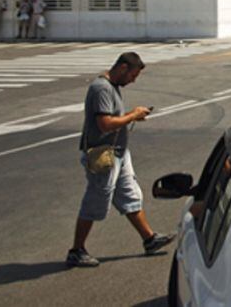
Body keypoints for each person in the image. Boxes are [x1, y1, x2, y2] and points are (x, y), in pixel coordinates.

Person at [67, 52, 174, 267]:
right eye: (133, 75)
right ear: (123, 67)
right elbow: (104, 124)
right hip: (103, 155)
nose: (133, 80)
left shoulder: (112, 87)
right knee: (96, 199)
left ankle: (149, 239)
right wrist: (133, 115)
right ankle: (76, 250)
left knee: (130, 194)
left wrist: (133, 117)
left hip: (119, 153)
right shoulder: (101, 88)